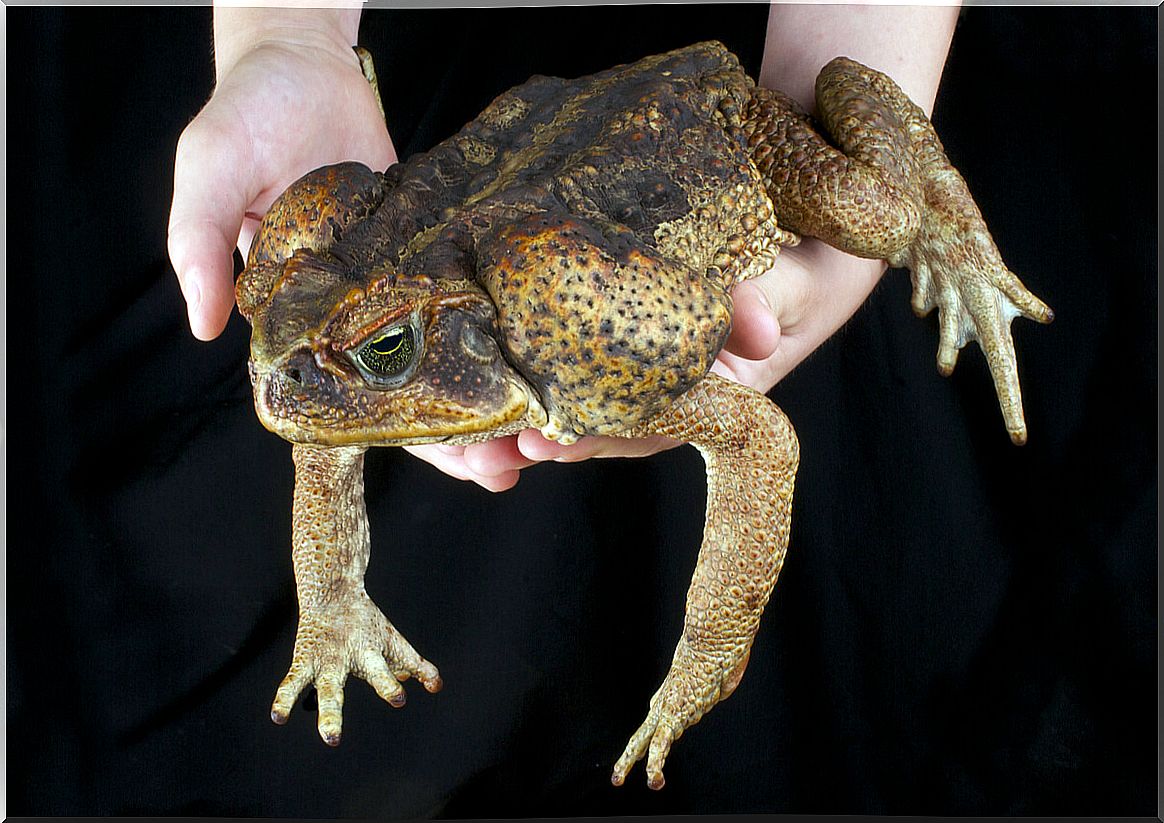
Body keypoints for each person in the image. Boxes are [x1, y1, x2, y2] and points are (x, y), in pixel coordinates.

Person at [169, 3, 960, 489]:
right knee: (329, 368)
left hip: (725, 126)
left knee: (886, 218)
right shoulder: (362, 313)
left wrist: (712, 649)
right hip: (476, 141)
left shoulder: (563, 330)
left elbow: (755, 436)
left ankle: (950, 205)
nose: (275, 380)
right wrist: (283, 30)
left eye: (384, 349)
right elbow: (321, 375)